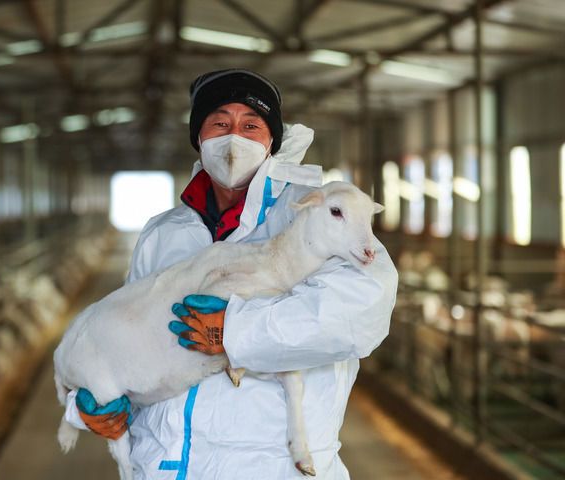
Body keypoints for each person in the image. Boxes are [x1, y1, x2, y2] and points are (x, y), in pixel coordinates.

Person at [68, 69, 398, 479]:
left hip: (272, 469)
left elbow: (361, 311)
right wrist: (96, 397)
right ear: (199, 137)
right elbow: (131, 330)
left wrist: (235, 331)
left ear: (272, 139)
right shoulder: (163, 232)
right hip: (163, 467)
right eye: (220, 124)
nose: (234, 138)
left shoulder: (319, 211)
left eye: (251, 125)